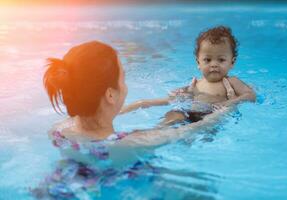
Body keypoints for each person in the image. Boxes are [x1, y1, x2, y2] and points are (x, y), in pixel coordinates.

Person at [32, 41, 227, 199]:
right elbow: (198, 127)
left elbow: (104, 112)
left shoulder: (60, 129)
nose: (125, 86)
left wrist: (155, 101)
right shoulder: (130, 143)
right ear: (110, 95)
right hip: (111, 186)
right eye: (122, 79)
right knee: (202, 187)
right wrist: (231, 104)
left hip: (57, 189)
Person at [120, 26, 256, 125]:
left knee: (206, 126)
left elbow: (250, 95)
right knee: (168, 113)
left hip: (210, 116)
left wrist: (228, 102)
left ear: (232, 62)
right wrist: (179, 92)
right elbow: (185, 95)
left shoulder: (232, 82)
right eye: (207, 60)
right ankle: (150, 129)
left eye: (221, 60)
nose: (214, 64)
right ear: (198, 62)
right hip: (188, 110)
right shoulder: (196, 83)